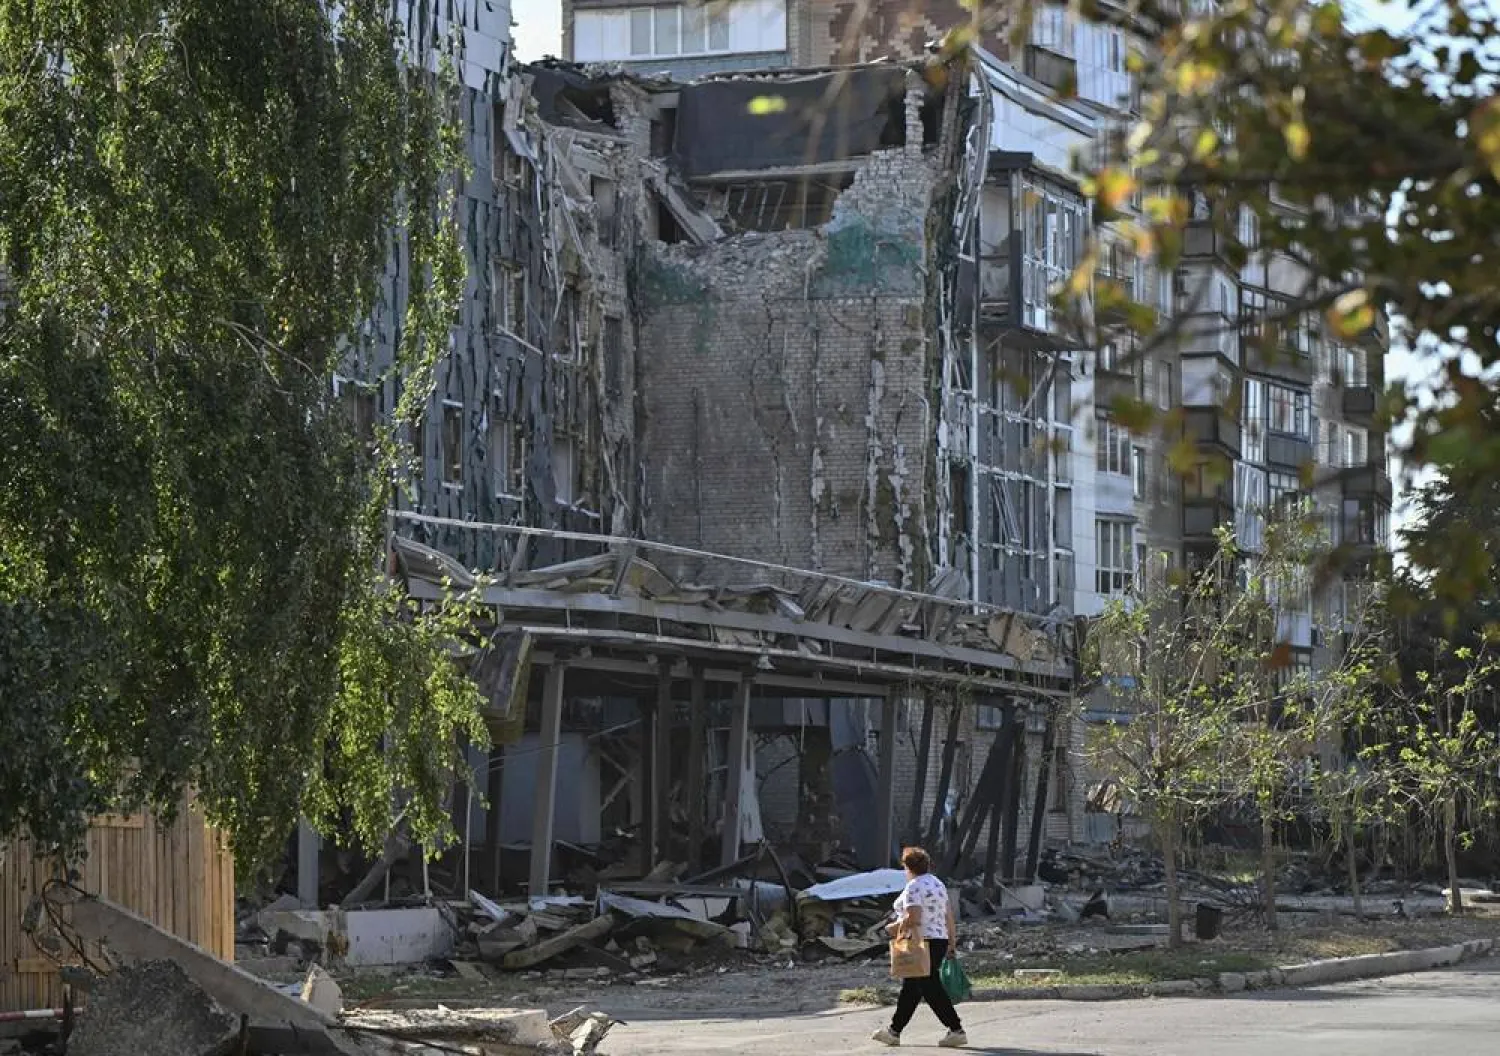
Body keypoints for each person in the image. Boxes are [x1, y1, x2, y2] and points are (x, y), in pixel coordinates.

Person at [871, 846, 966, 1048]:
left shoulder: (914, 886)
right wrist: (951, 941)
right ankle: (894, 1032)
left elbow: (914, 917)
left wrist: (892, 928)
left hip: (922, 942)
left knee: (929, 986)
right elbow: (948, 915)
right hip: (938, 940)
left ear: (907, 867)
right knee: (912, 988)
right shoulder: (938, 884)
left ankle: (956, 1029)